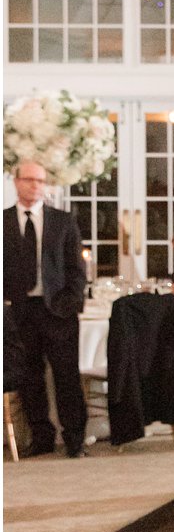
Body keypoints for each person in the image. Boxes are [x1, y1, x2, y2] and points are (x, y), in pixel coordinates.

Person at [3, 158, 89, 457]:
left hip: (58, 311)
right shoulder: (3, 222)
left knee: (67, 377)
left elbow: (77, 270)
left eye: (40, 181)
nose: (36, 185)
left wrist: (70, 303)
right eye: (30, 180)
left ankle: (75, 438)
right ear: (16, 182)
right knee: (30, 377)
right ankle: (41, 437)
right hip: (19, 311)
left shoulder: (63, 221)